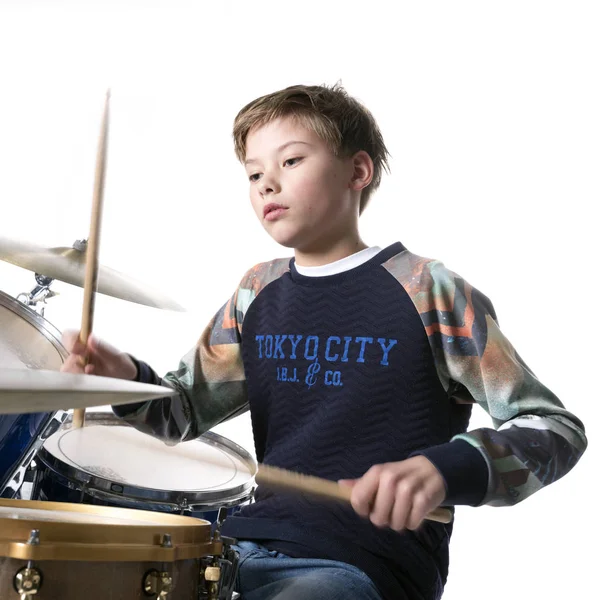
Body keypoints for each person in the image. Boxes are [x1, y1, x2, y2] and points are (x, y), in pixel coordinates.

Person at [61, 83, 587, 600]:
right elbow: (179, 414)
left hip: (363, 564)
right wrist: (124, 377)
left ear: (358, 171)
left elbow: (555, 429)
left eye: (290, 161)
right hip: (240, 544)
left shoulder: (427, 290)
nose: (267, 183)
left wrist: (446, 469)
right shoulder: (256, 292)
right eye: (253, 173)